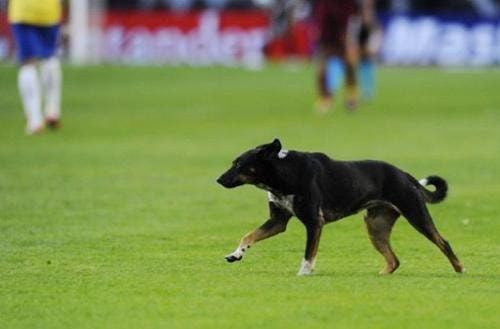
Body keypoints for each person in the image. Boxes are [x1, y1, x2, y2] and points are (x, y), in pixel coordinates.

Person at [8, 0, 63, 134]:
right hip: (48, 10)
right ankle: (52, 110)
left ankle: (35, 120)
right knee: (49, 57)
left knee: (27, 62)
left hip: (23, 10)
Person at [312, 0, 359, 113]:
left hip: (343, 38)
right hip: (326, 39)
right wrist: (317, 30)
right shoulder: (323, 3)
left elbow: (353, 18)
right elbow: (319, 16)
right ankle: (325, 98)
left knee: (350, 66)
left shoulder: (347, 3)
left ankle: (351, 96)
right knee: (321, 70)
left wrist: (350, 39)